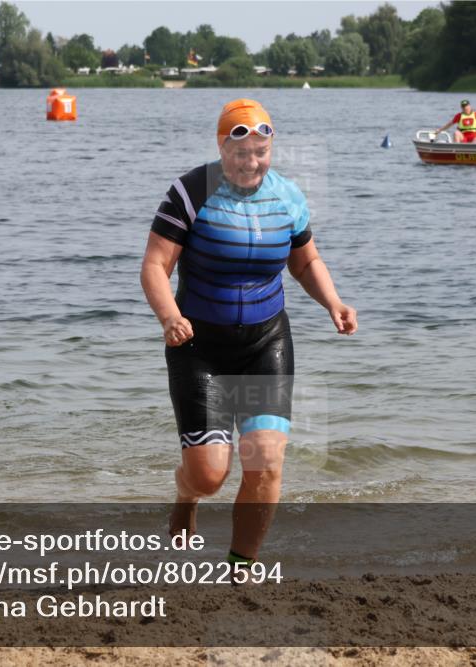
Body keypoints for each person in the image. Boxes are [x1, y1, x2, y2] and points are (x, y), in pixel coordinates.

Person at [140, 99, 357, 569]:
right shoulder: (191, 191)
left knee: (266, 463)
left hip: (266, 343)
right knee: (209, 475)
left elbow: (305, 261)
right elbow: (156, 265)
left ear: (271, 147)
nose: (251, 162)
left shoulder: (288, 196)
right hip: (198, 347)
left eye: (261, 150)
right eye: (240, 152)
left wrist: (333, 303)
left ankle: (242, 567)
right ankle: (186, 496)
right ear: (222, 146)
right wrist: (168, 316)